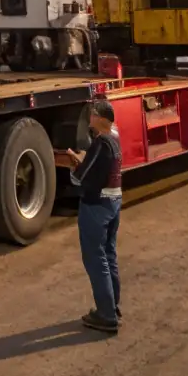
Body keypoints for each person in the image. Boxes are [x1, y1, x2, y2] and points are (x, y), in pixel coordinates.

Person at [59, 97, 122, 333]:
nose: (91, 118)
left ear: (102, 119)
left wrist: (75, 164)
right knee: (109, 254)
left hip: (97, 205)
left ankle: (106, 315)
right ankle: (112, 306)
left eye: (94, 114)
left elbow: (83, 177)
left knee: (96, 259)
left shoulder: (101, 143)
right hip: (114, 202)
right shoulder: (115, 139)